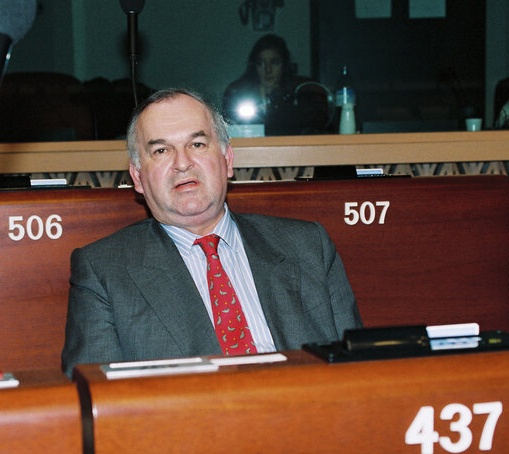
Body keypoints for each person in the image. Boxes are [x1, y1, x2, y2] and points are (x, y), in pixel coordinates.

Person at [62, 89, 361, 373]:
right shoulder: (103, 271)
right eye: (162, 150)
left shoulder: (309, 247)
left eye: (197, 144)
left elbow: (360, 371)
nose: (182, 163)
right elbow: (94, 398)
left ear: (227, 160)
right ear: (138, 178)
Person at [222, 34, 325, 133]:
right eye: (261, 63)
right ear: (254, 67)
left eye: (274, 62)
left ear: (284, 65)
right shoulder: (238, 95)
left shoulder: (300, 95)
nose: (268, 70)